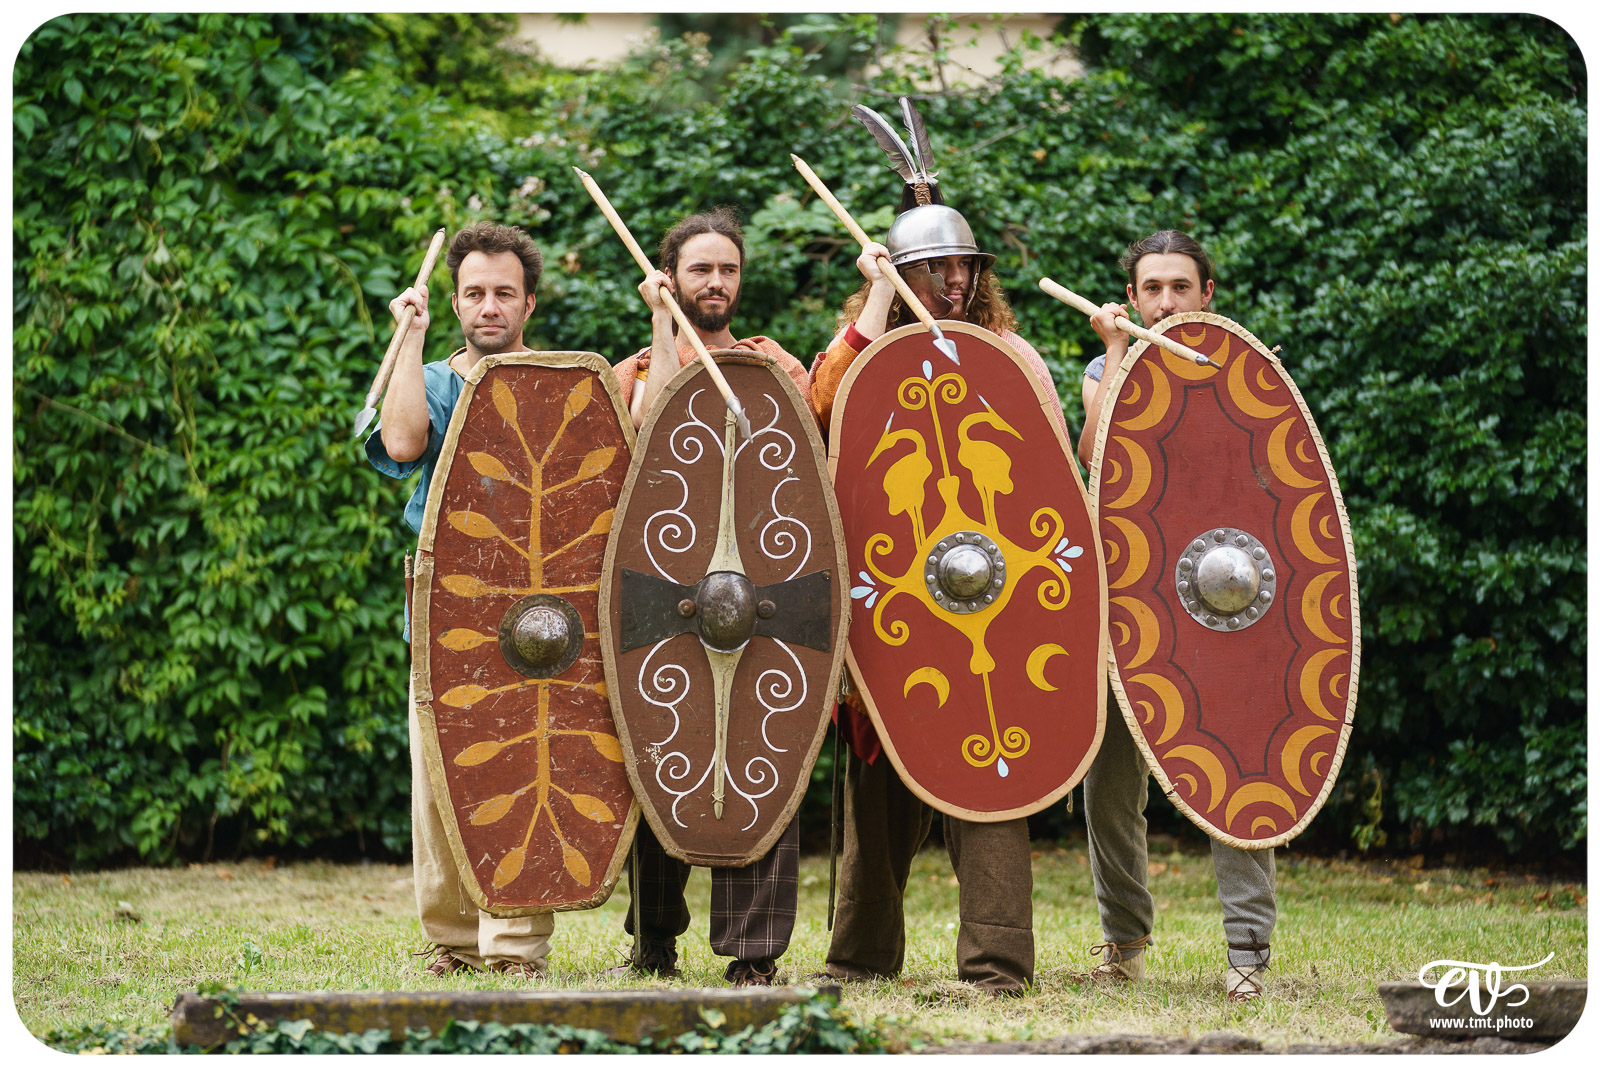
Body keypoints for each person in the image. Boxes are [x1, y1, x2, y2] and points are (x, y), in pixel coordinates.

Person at [808, 106, 1070, 996]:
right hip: (890, 601)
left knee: (989, 780)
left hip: (990, 595)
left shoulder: (1013, 358)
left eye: (960, 265)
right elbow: (821, 404)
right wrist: (880, 298)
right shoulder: (866, 351)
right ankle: (859, 954)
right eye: (932, 266)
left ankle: (996, 961)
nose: (951, 280)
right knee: (875, 790)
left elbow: (1053, 482)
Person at [608, 208, 813, 987]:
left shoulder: (774, 367)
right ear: (670, 276)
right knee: (664, 749)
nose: (716, 282)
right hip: (663, 585)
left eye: (727, 269)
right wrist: (664, 326)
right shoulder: (634, 368)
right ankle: (654, 934)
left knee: (765, 749)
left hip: (762, 590)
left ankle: (754, 949)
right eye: (700, 270)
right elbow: (651, 424)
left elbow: (807, 467)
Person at [1075, 229, 1276, 1002]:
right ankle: (1123, 943)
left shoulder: (1243, 373)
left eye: (1179, 287)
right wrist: (1119, 354)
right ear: (1130, 298)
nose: (1164, 302)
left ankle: (1248, 951)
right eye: (1151, 288)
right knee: (1110, 781)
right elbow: (1098, 454)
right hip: (1130, 601)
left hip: (1220, 600)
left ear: (1206, 294)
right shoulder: (1105, 368)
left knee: (1234, 768)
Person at [365, 222, 553, 980]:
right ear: (453, 301)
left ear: (528, 304)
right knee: (440, 766)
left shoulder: (556, 384)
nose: (488, 307)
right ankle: (452, 937)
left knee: (526, 761)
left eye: (504, 293)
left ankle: (514, 944)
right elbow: (404, 441)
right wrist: (407, 340)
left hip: (539, 603)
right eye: (474, 292)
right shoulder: (436, 378)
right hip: (446, 592)